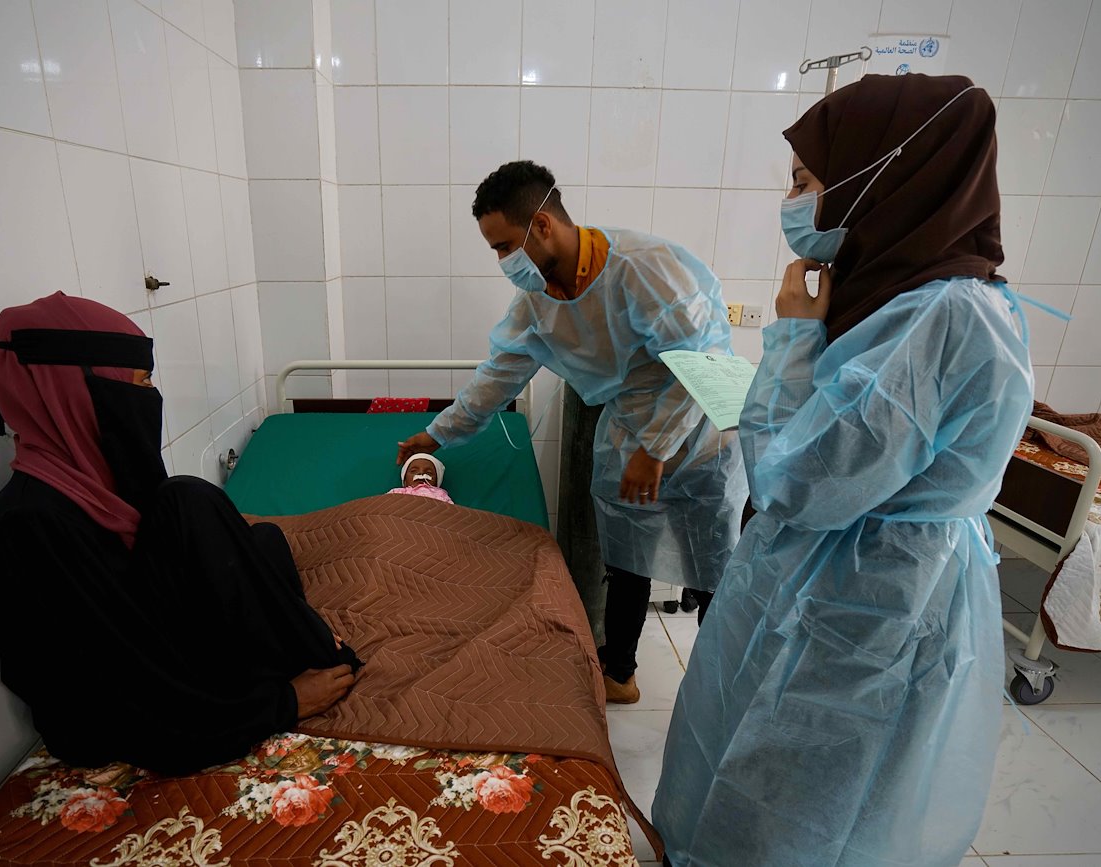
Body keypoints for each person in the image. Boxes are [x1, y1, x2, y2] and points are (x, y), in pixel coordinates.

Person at [653, 75, 1034, 866]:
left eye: (803, 182)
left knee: (799, 792)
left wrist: (793, 337)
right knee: (748, 749)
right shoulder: (904, 299)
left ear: (881, 172)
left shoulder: (938, 318)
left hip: (868, 594)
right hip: (836, 572)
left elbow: (800, 481)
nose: (793, 203)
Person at [396, 161, 747, 704]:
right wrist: (437, 435)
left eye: (504, 245)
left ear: (541, 225)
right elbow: (499, 375)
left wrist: (656, 451)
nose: (502, 261)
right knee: (626, 559)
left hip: (699, 436)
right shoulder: (538, 299)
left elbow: (698, 363)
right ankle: (620, 672)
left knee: (710, 569)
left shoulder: (648, 269)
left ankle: (721, 692)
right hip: (629, 431)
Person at [0, 292, 361, 776]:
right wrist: (283, 703)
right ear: (75, 394)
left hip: (162, 650)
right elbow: (122, 692)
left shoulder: (91, 483)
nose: (149, 399)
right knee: (208, 517)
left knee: (220, 519)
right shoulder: (30, 527)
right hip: (133, 710)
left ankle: (307, 639)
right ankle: (313, 647)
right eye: (139, 384)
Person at [388, 453, 454, 504]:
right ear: (405, 481)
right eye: (413, 471)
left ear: (437, 482)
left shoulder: (441, 496)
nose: (421, 473)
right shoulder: (396, 493)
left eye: (429, 472)